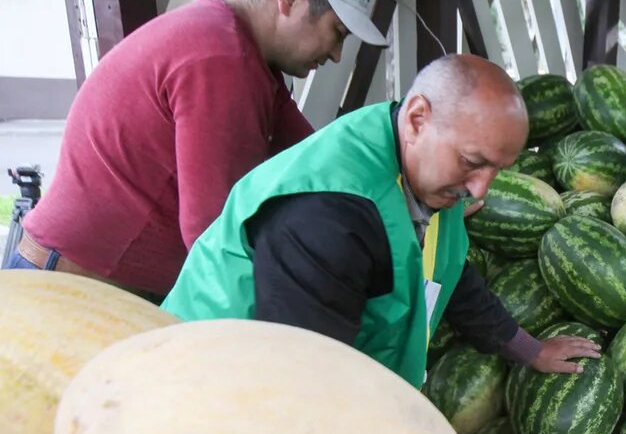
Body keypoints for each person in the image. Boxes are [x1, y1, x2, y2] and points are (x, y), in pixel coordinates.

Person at [161, 54, 600, 385]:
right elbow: (306, 385)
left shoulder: (424, 171)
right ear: (417, 119)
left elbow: (447, 275)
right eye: (473, 162)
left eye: (497, 170)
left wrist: (530, 350)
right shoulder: (328, 222)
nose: (482, 188)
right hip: (211, 388)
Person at [6, 0, 387, 299]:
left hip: (99, 288)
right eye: (336, 33)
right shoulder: (219, 59)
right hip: (71, 292)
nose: (337, 55)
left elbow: (316, 159)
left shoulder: (244, 53)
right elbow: (212, 235)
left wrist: (390, 188)